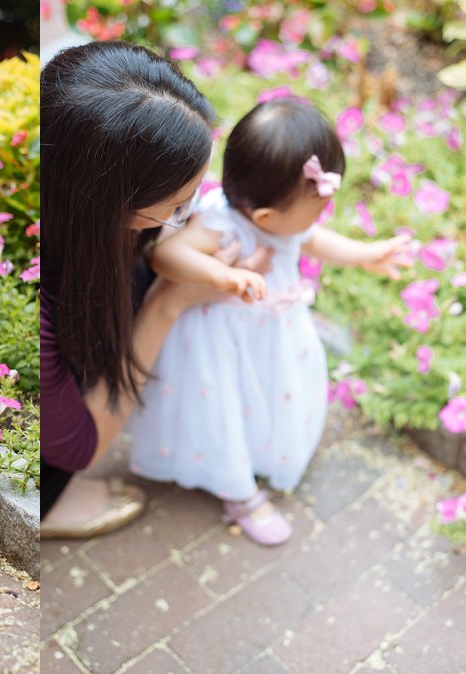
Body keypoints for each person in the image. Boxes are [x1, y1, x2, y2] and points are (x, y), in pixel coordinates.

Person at [127, 99, 412, 545]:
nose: (318, 218)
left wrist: (365, 255)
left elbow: (312, 238)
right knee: (225, 407)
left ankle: (260, 452)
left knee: (269, 396)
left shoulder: (282, 217)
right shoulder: (220, 220)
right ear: (264, 218)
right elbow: (167, 255)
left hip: (273, 333)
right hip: (221, 341)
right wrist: (221, 274)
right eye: (316, 208)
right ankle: (239, 491)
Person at [40, 41, 274, 538]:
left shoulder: (82, 211)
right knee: (58, 466)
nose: (187, 215)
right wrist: (169, 301)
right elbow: (77, 446)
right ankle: (48, 504)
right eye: (177, 206)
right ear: (105, 202)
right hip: (59, 447)